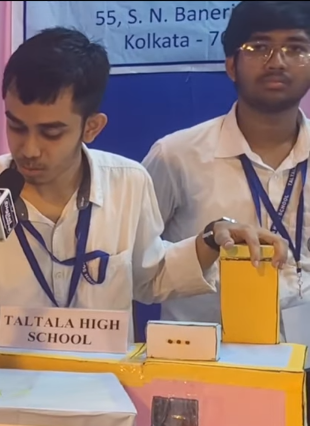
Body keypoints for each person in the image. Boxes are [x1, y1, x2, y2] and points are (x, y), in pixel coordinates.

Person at [0, 27, 289, 370]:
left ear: (92, 127)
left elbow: (149, 276)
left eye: (51, 132)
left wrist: (212, 239)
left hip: (104, 395)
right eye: (17, 126)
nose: (29, 149)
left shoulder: (129, 183)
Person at [141, 3, 310, 418]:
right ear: (231, 64)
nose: (277, 61)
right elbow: (135, 271)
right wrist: (204, 247)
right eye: (259, 47)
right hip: (203, 376)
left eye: (295, 48)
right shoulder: (177, 155)